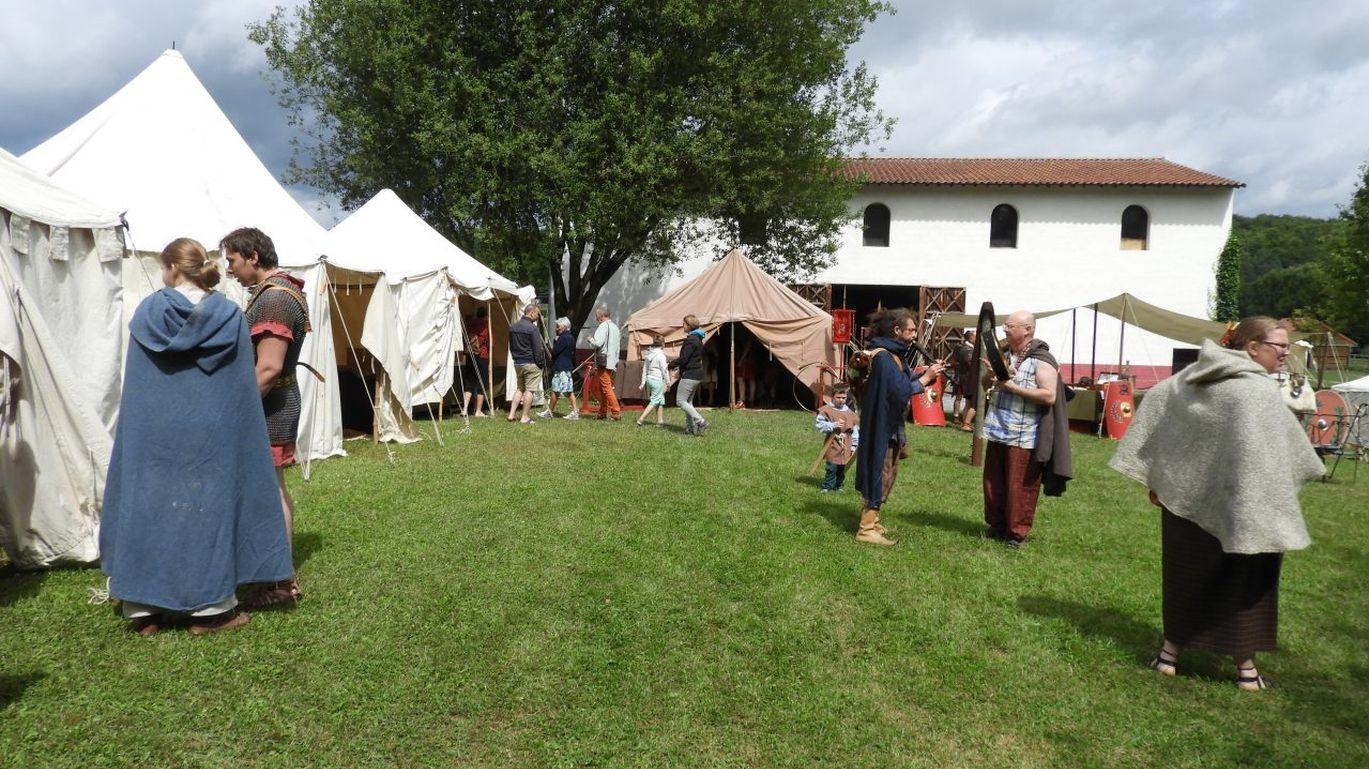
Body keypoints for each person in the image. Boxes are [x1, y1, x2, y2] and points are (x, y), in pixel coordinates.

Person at [1110, 317, 1323, 691]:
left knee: (1187, 576)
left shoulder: (1194, 376)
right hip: (1246, 506)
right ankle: (1246, 670)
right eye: (1280, 346)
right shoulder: (1256, 391)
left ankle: (1169, 656)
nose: (1285, 353)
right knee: (1246, 581)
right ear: (1252, 348)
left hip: (1185, 500)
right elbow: (1279, 452)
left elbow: (1158, 398)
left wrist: (1163, 475)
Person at [101, 238, 292, 635]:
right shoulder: (229, 316)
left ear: (172, 268)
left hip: (155, 432)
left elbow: (139, 385)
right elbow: (238, 387)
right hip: (212, 433)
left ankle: (143, 610)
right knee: (210, 510)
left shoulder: (148, 313)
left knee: (151, 504)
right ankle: (211, 611)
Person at [224, 226, 309, 607]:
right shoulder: (273, 292)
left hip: (270, 406)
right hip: (272, 403)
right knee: (270, 488)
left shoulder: (274, 298)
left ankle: (280, 580)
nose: (229, 269)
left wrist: (234, 412)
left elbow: (269, 368)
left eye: (232, 260)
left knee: (271, 490)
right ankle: (273, 572)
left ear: (253, 257)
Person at [980, 311, 1071, 549]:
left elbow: (1049, 395)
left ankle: (1016, 533)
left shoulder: (1042, 359)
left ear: (1027, 330)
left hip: (1024, 435)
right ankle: (996, 525)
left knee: (1019, 486)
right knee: (993, 483)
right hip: (998, 430)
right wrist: (989, 376)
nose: (1005, 329)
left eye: (1010, 326)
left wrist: (1012, 388)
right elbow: (986, 385)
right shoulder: (1004, 353)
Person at [853, 308, 944, 546]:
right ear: (897, 330)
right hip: (881, 425)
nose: (914, 335)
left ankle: (873, 520)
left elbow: (902, 381)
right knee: (880, 472)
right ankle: (865, 528)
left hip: (889, 423)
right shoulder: (884, 357)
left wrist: (928, 374)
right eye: (911, 330)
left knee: (889, 471)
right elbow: (898, 391)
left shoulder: (893, 355)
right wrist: (925, 379)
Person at [669, 314, 708, 435]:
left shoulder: (691, 340)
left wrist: (670, 364)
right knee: (688, 402)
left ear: (689, 325)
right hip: (696, 374)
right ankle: (690, 429)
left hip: (690, 374)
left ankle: (701, 421)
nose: (683, 326)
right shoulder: (698, 338)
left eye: (684, 324)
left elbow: (684, 359)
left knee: (680, 401)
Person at [506, 302, 545, 424]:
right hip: (531, 362)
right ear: (531, 313)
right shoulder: (533, 328)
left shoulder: (513, 327)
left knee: (519, 389)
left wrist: (515, 358)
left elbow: (511, 346)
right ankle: (525, 417)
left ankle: (511, 414)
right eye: (537, 314)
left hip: (518, 363)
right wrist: (540, 364)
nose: (538, 316)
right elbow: (537, 349)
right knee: (530, 390)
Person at [816, 383, 859, 492]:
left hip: (847, 444)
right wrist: (833, 425)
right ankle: (827, 486)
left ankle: (838, 485)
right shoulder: (827, 410)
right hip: (833, 442)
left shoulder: (850, 413)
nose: (841, 400)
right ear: (833, 396)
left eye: (843, 398)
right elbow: (819, 425)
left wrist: (854, 445)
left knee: (842, 467)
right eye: (838, 397)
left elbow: (854, 430)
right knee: (831, 466)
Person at [585, 305, 622, 420]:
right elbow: (618, 347)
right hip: (611, 361)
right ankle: (602, 412)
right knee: (603, 387)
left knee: (606, 387)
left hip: (603, 361)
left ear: (601, 316)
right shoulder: (615, 327)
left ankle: (616, 412)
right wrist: (615, 361)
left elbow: (598, 343)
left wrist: (590, 339)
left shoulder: (602, 327)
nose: (596, 318)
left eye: (597, 316)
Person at [548, 316, 580, 419]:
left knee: (568, 391)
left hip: (562, 368)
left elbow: (555, 351)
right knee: (555, 390)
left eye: (558, 327)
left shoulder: (564, 338)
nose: (557, 329)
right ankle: (549, 411)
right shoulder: (570, 337)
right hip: (563, 367)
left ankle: (575, 412)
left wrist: (555, 341)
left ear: (564, 327)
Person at [462, 307, 491, 417]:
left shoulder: (471, 324)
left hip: (470, 355)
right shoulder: (485, 325)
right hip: (482, 356)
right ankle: (478, 410)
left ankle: (465, 409)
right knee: (481, 383)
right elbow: (490, 343)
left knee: (469, 382)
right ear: (486, 315)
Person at [636, 334, 670, 427]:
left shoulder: (649, 354)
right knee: (655, 400)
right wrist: (668, 383)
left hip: (649, 379)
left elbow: (645, 369)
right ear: (663, 344)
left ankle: (660, 421)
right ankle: (641, 419)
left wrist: (643, 382)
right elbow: (665, 370)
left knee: (660, 399)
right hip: (657, 380)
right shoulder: (661, 356)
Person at [951, 329, 977, 430]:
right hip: (968, 379)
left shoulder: (966, 348)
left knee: (968, 403)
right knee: (974, 402)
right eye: (975, 336)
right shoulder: (968, 350)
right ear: (970, 338)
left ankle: (965, 423)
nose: (977, 338)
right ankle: (966, 423)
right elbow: (970, 364)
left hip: (965, 378)